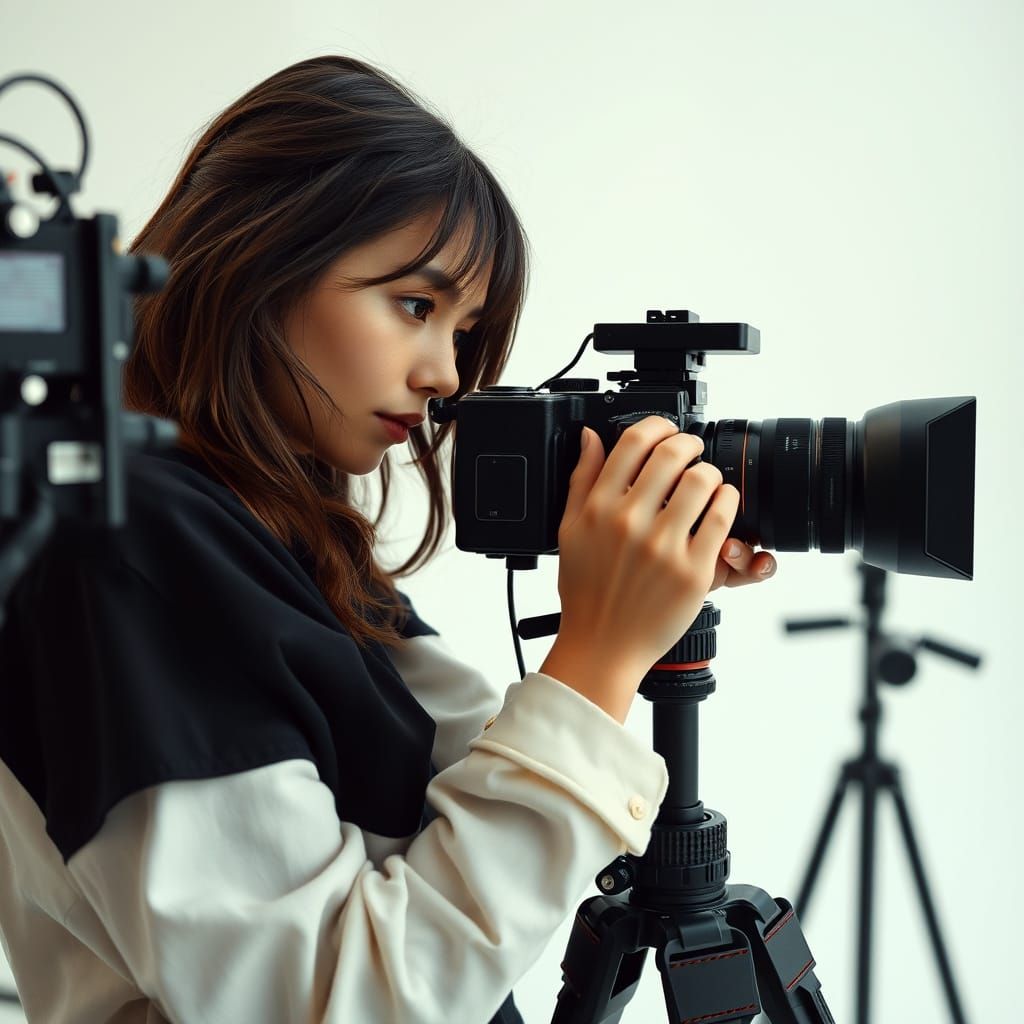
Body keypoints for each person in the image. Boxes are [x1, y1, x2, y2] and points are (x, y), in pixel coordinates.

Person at [0, 55, 777, 1023]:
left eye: (464, 331)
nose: (446, 374)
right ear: (256, 261)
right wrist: (596, 660)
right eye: (416, 305)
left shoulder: (263, 530)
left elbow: (447, 796)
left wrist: (634, 600)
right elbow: (330, 1000)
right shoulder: (129, 544)